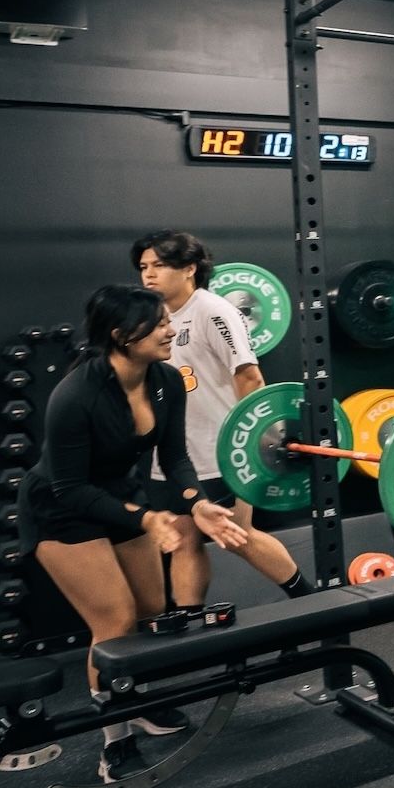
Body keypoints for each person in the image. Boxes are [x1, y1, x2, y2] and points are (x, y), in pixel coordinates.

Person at [19, 285, 251, 781]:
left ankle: (138, 702)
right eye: (160, 324)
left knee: (150, 611)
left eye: (168, 320)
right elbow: (70, 488)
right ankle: (115, 743)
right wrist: (145, 518)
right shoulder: (75, 396)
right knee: (116, 621)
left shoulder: (165, 379)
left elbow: (176, 457)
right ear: (123, 335)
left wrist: (198, 505)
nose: (171, 330)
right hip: (62, 510)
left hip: (122, 498)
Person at [131, 231, 310, 608]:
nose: (148, 274)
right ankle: (192, 626)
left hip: (221, 454)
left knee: (237, 536)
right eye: (144, 267)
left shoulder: (213, 310)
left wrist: (251, 448)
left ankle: (310, 602)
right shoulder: (154, 319)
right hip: (172, 457)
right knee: (182, 541)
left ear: (189, 268)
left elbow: (250, 378)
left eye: (159, 265)